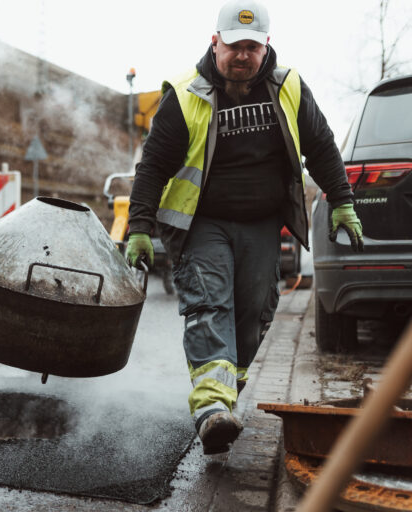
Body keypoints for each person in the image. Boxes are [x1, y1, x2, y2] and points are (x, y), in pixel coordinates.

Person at [126, 0, 363, 455]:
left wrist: (343, 201)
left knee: (253, 314)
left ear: (266, 46)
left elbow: (322, 145)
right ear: (215, 42)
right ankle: (211, 409)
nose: (242, 55)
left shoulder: (289, 87)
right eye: (234, 45)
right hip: (202, 222)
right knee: (210, 302)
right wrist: (139, 226)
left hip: (261, 223)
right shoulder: (186, 93)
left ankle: (225, 390)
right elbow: (153, 167)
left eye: (252, 47)